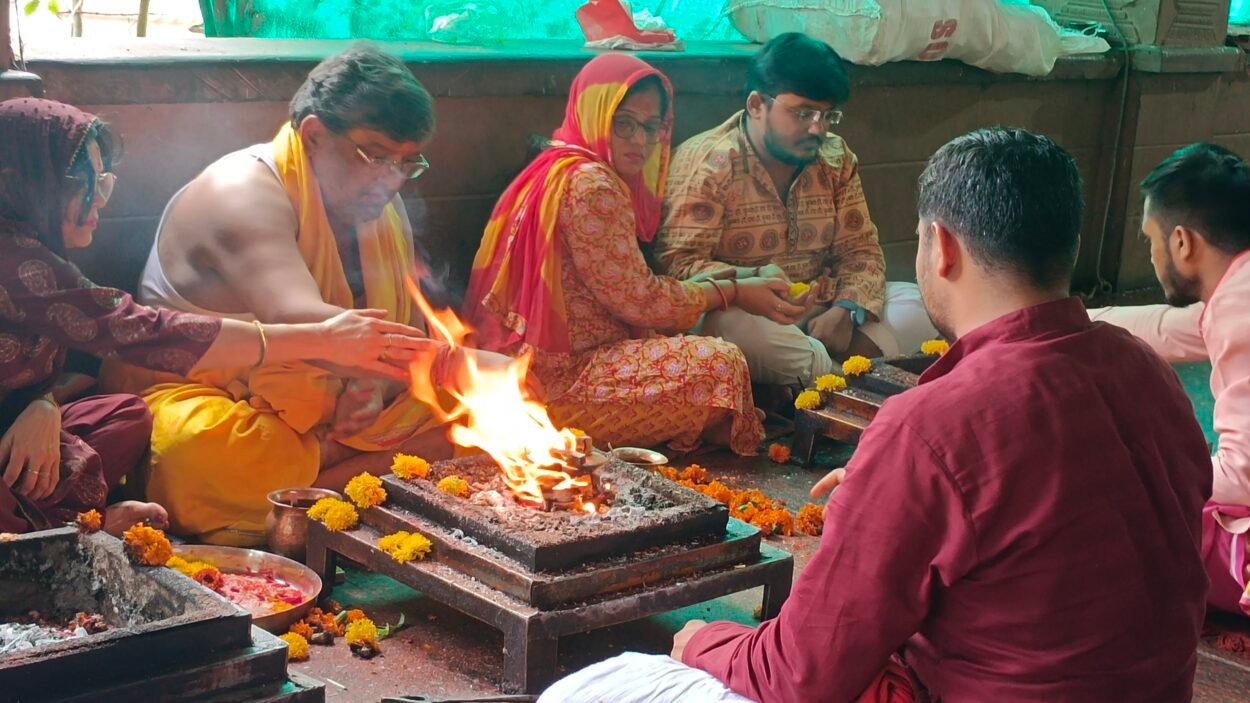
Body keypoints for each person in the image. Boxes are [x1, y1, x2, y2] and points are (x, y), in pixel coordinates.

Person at [540, 128, 1211, 703]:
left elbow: (797, 675)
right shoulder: (1144, 369)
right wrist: (889, 498)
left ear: (940, 246)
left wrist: (698, 639)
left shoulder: (931, 424)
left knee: (613, 685)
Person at [100, 46, 486, 545]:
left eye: (406, 164)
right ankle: (355, 481)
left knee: (464, 416)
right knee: (192, 455)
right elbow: (303, 321)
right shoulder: (241, 192)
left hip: (319, 405)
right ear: (314, 135)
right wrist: (458, 367)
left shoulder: (379, 207)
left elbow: (373, 330)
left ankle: (315, 487)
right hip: (209, 397)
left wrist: (370, 388)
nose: (390, 180)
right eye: (374, 156)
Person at [0, 98, 432, 537]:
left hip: (21, 425)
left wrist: (41, 405)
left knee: (124, 418)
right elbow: (138, 330)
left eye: (105, 182)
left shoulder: (36, 249)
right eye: (84, 184)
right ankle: (72, 531)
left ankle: (54, 525)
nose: (100, 201)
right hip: (197, 395)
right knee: (188, 454)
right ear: (24, 185)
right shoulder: (16, 261)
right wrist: (318, 339)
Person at [463, 54, 790, 455]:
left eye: (651, 127)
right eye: (625, 124)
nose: (639, 141)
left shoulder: (557, 165)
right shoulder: (592, 185)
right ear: (595, 114)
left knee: (694, 347)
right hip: (557, 385)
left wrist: (728, 284)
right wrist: (731, 293)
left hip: (522, 372)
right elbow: (641, 300)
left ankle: (700, 427)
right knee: (719, 364)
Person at [654, 33, 937, 386]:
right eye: (802, 113)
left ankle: (832, 381)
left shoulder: (835, 158)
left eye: (828, 115)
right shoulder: (709, 165)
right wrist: (753, 284)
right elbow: (678, 268)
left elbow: (860, 251)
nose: (817, 128)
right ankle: (852, 383)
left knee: (921, 307)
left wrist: (845, 310)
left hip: (825, 311)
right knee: (733, 330)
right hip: (750, 316)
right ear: (757, 104)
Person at [1089, 143, 1250, 617]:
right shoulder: (1236, 289)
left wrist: (1139, 464)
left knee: (1122, 511)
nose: (1153, 253)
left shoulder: (1239, 309)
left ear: (1181, 242)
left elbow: (1242, 479)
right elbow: (1166, 327)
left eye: (1149, 240)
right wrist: (1065, 317)